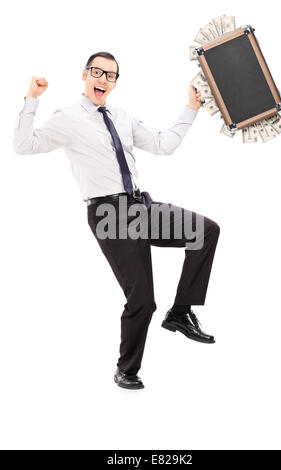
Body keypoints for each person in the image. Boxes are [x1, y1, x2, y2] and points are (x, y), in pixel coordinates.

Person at [13, 51, 220, 390]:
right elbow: (24, 145)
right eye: (97, 72)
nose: (103, 80)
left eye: (110, 76)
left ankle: (181, 313)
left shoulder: (122, 117)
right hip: (109, 214)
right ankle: (126, 370)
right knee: (142, 299)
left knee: (206, 231)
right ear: (84, 75)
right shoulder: (67, 118)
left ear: (115, 83)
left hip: (140, 206)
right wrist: (31, 101)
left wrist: (191, 108)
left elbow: (163, 144)